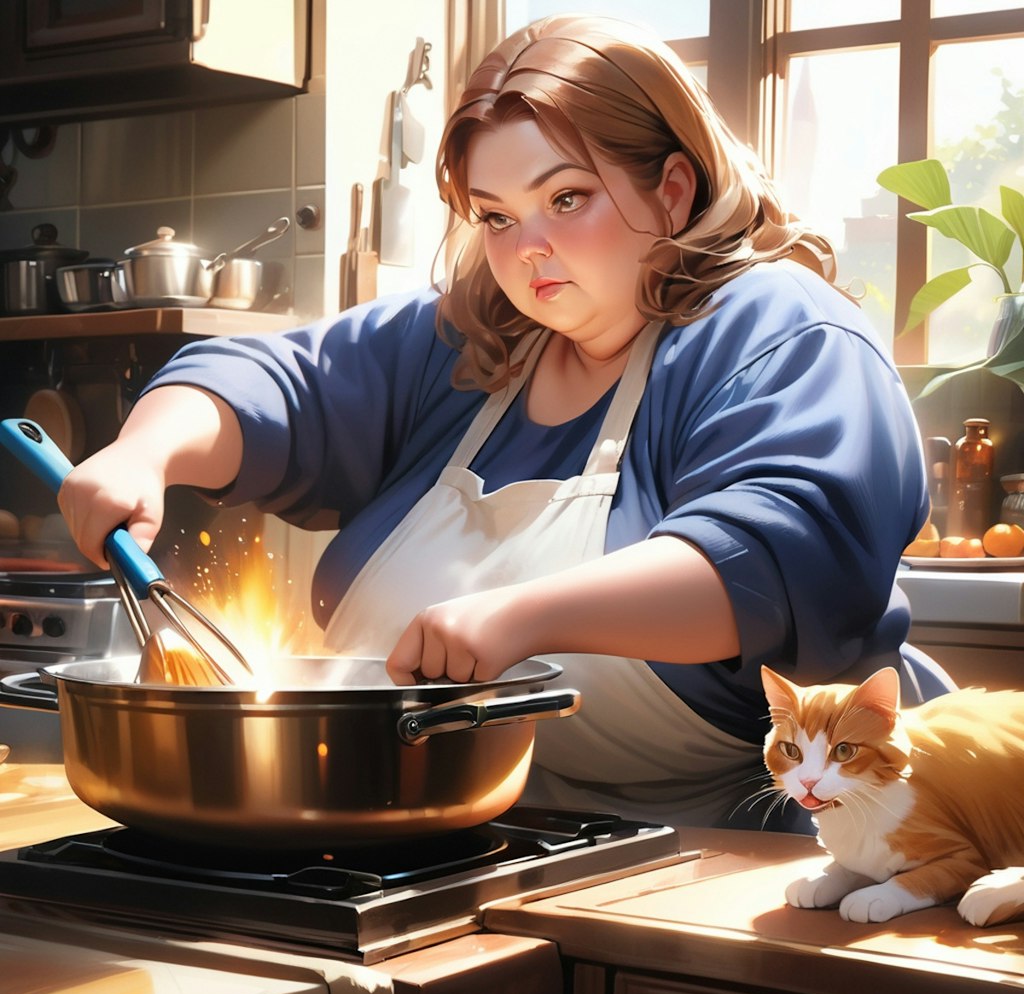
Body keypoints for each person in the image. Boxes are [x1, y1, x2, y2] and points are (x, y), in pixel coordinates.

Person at [56, 15, 953, 833]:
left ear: (672, 189)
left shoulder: (778, 328)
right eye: (495, 216)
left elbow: (774, 556)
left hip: (730, 860)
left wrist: (521, 619)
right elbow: (269, 377)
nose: (528, 249)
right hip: (460, 839)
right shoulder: (469, 338)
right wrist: (146, 450)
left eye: (566, 199)